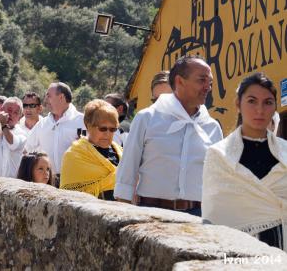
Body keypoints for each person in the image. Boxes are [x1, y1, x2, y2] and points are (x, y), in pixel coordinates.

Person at [114, 55, 223, 216]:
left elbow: (217, 180)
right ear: (180, 81)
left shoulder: (212, 127)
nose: (208, 87)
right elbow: (127, 171)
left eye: (210, 82)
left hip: (198, 217)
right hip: (151, 214)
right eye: (202, 80)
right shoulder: (147, 118)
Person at [202, 73, 287, 250]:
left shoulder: (285, 151)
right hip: (237, 254)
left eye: (268, 102)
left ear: (275, 108)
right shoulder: (219, 156)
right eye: (252, 101)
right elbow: (214, 215)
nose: (260, 110)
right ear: (238, 104)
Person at [60, 100, 122, 200]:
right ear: (88, 126)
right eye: (103, 128)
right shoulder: (73, 155)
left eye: (112, 129)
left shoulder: (121, 152)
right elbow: (68, 196)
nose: (107, 133)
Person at [26, 82, 85, 178]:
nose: (45, 100)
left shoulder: (83, 121)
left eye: (49, 96)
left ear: (61, 97)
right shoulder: (42, 124)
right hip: (48, 181)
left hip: (75, 180)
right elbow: (27, 149)